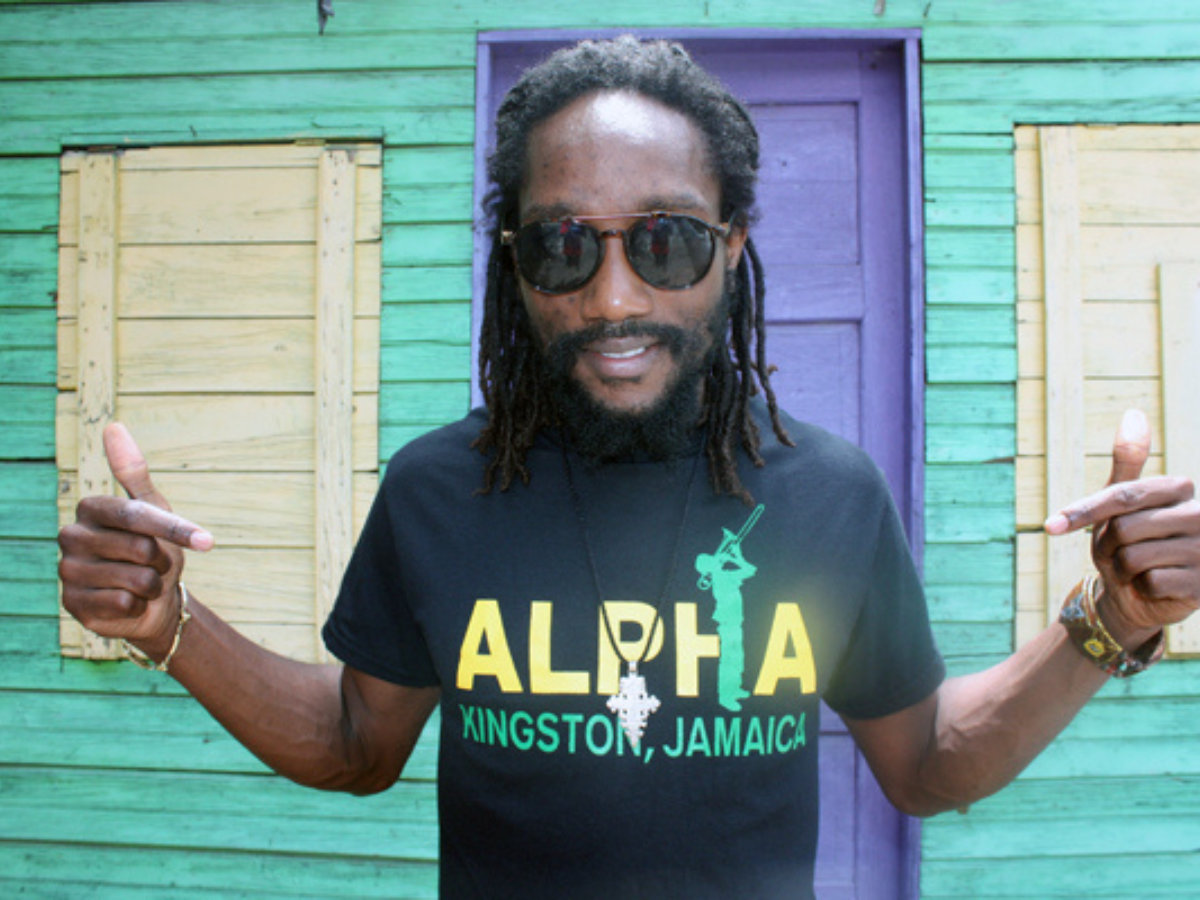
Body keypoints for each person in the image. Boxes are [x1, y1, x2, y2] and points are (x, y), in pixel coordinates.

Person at [58, 37, 1200, 899]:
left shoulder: (830, 495)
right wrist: (169, 626)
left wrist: (1111, 619)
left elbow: (928, 763)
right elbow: (359, 744)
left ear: (731, 248)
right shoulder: (435, 492)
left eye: (667, 240)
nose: (614, 298)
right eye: (565, 246)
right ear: (517, 265)